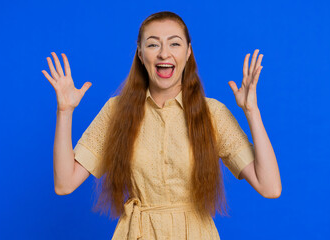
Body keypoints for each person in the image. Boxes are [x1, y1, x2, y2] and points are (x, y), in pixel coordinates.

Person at [42, 11, 281, 240]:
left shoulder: (212, 113)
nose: (164, 53)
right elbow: (64, 183)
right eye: (153, 44)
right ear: (140, 52)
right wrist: (64, 112)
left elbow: (270, 187)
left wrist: (252, 111)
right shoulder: (117, 111)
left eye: (175, 44)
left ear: (188, 52)